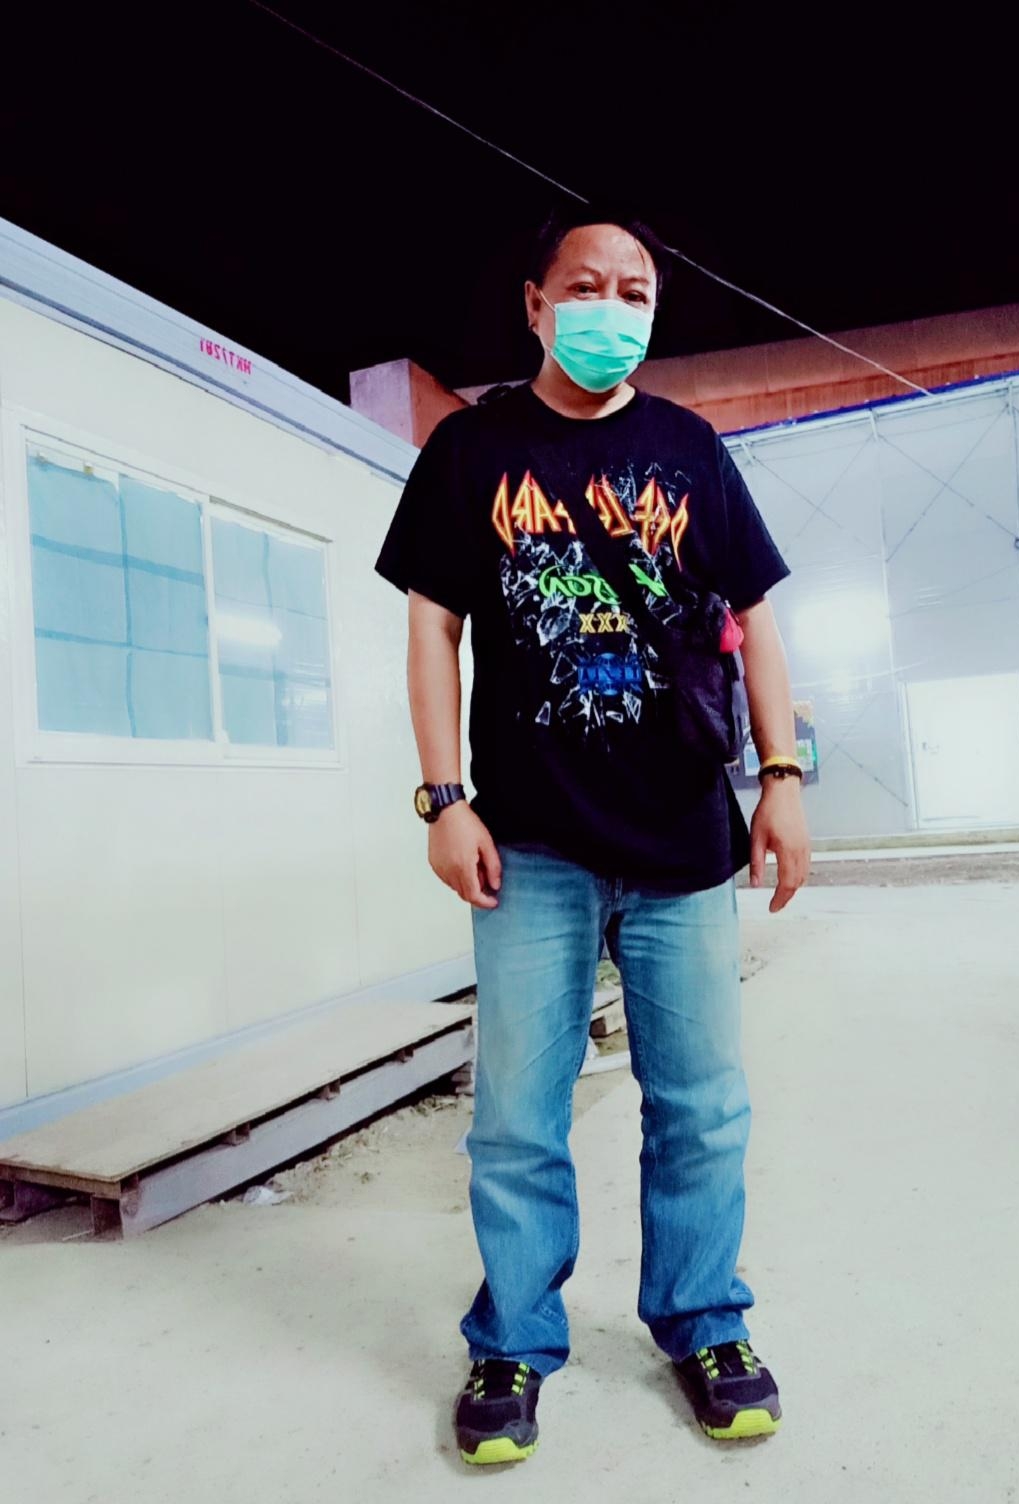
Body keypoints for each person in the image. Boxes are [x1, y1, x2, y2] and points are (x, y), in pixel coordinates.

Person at [375, 204, 811, 1467]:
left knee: (703, 1108)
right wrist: (443, 797)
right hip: (531, 846)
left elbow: (756, 620)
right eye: (586, 286)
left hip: (682, 841)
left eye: (634, 292)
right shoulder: (471, 450)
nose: (610, 309)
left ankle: (705, 1323)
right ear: (535, 304)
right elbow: (432, 626)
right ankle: (513, 1338)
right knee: (518, 1114)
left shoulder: (690, 450)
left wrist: (782, 774)